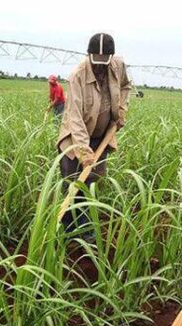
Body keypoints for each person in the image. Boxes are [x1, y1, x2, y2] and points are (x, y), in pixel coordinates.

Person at [55, 33, 132, 242]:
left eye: (103, 61)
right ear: (88, 56)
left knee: (90, 182)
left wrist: (122, 110)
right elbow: (75, 118)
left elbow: (126, 86)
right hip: (75, 137)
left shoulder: (118, 66)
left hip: (101, 135)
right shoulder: (77, 76)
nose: (100, 66)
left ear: (111, 58)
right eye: (95, 61)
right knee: (73, 182)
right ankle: (67, 230)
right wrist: (84, 153)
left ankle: (84, 230)